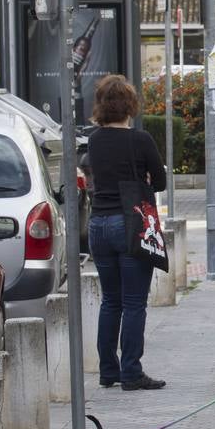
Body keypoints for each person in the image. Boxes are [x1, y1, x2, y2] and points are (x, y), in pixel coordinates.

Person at [85, 74, 167, 391]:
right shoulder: (140, 140)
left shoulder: (94, 140)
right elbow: (158, 182)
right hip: (129, 225)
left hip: (98, 225)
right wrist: (144, 178)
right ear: (130, 105)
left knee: (111, 301)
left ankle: (109, 370)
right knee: (134, 302)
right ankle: (131, 371)